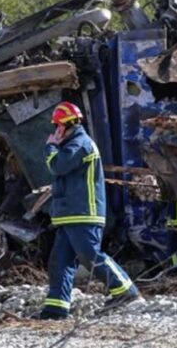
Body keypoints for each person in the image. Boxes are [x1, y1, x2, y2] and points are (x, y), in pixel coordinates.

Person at [37, 101, 140, 320]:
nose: (55, 132)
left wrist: (50, 147)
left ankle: (125, 291)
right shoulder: (73, 144)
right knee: (60, 261)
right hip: (69, 215)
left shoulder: (80, 144)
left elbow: (57, 166)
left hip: (83, 213)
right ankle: (56, 308)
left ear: (64, 126)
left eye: (57, 127)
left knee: (89, 254)